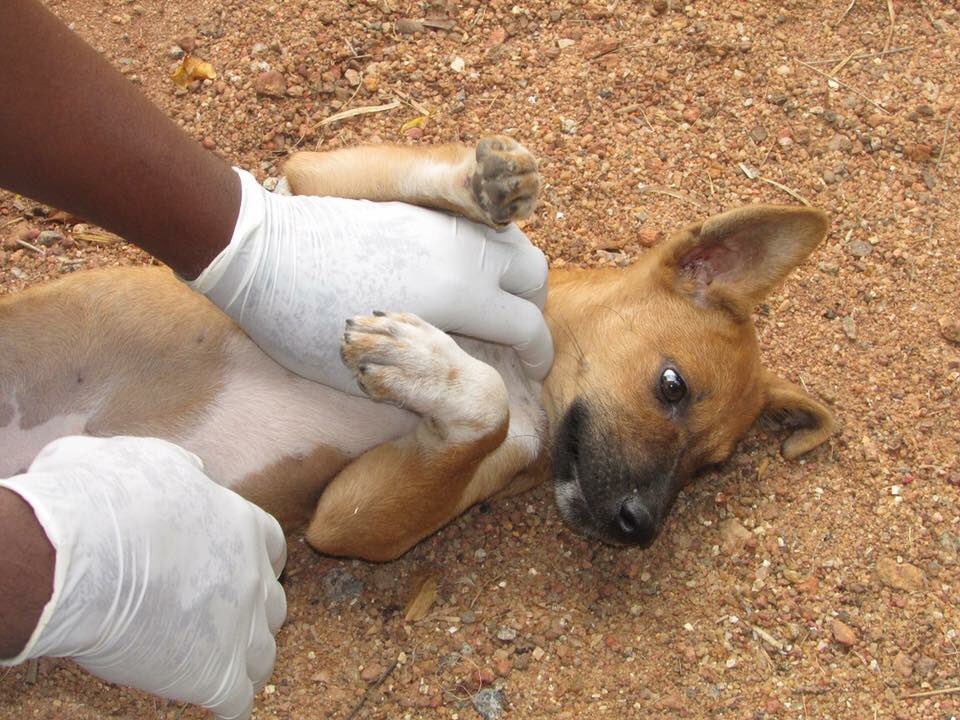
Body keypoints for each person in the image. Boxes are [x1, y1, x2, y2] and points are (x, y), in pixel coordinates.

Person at [0, 1, 553, 718]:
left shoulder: (515, 429)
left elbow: (349, 524)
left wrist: (250, 238)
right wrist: (46, 571)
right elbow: (314, 174)